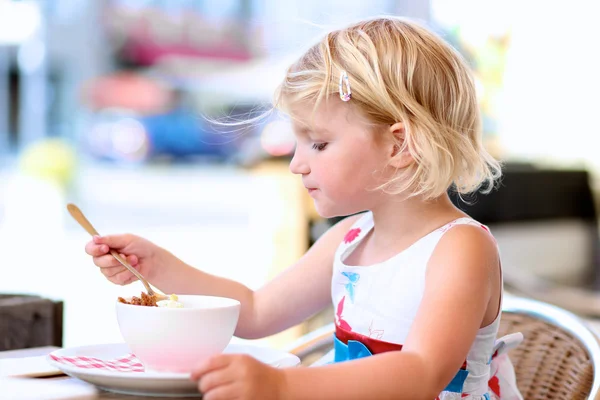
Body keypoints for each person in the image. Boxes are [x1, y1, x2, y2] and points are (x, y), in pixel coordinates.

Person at [85, 16, 523, 400]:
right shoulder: (351, 239)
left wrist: (281, 388)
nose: (297, 163)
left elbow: (421, 373)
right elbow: (255, 312)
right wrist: (160, 267)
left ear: (400, 145)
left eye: (318, 143)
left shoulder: (458, 248)